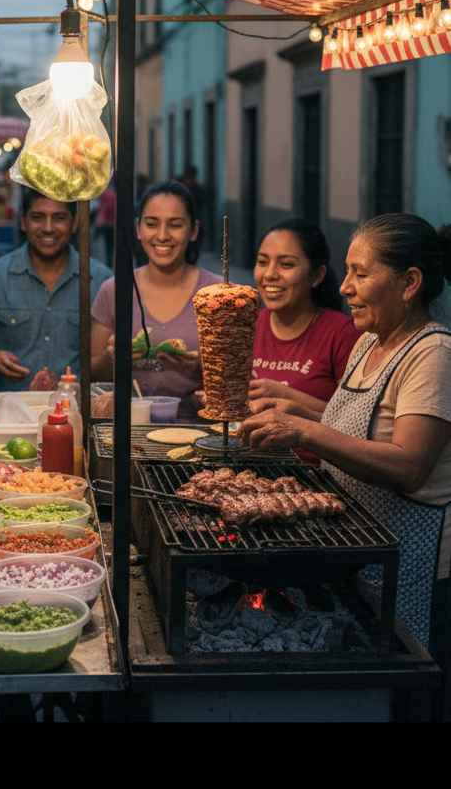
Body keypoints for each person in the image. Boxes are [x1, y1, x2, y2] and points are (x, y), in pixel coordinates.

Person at [239, 214, 451, 663]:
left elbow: (409, 466)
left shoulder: (434, 354)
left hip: (417, 568)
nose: (344, 287)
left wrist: (303, 430)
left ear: (409, 282)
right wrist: (293, 408)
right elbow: (354, 422)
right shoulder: (368, 342)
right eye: (348, 271)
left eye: (361, 273)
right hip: (363, 552)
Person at [0, 189, 113, 393]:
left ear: (74, 223)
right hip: (9, 416)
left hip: (77, 417)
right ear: (22, 221)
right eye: (37, 218)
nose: (48, 228)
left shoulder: (101, 281)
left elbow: (113, 356)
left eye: (59, 218)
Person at [90, 180, 222, 419]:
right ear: (138, 229)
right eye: (152, 224)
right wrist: (112, 359)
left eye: (175, 225)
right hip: (129, 429)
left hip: (203, 431)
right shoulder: (114, 290)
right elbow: (93, 374)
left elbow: (241, 377)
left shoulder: (218, 293)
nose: (162, 236)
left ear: (193, 230)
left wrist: (202, 367)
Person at [248, 219, 361, 464]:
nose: (269, 274)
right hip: (248, 465)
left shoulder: (343, 334)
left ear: (317, 275)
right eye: (262, 262)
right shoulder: (247, 325)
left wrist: (283, 393)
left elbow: (353, 424)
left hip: (316, 473)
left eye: (286, 264)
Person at [95, 180, 116, 267]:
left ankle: (107, 261)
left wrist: (99, 220)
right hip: (111, 222)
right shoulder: (113, 193)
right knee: (110, 245)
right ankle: (109, 261)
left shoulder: (104, 193)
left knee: (105, 244)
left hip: (105, 222)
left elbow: (101, 207)